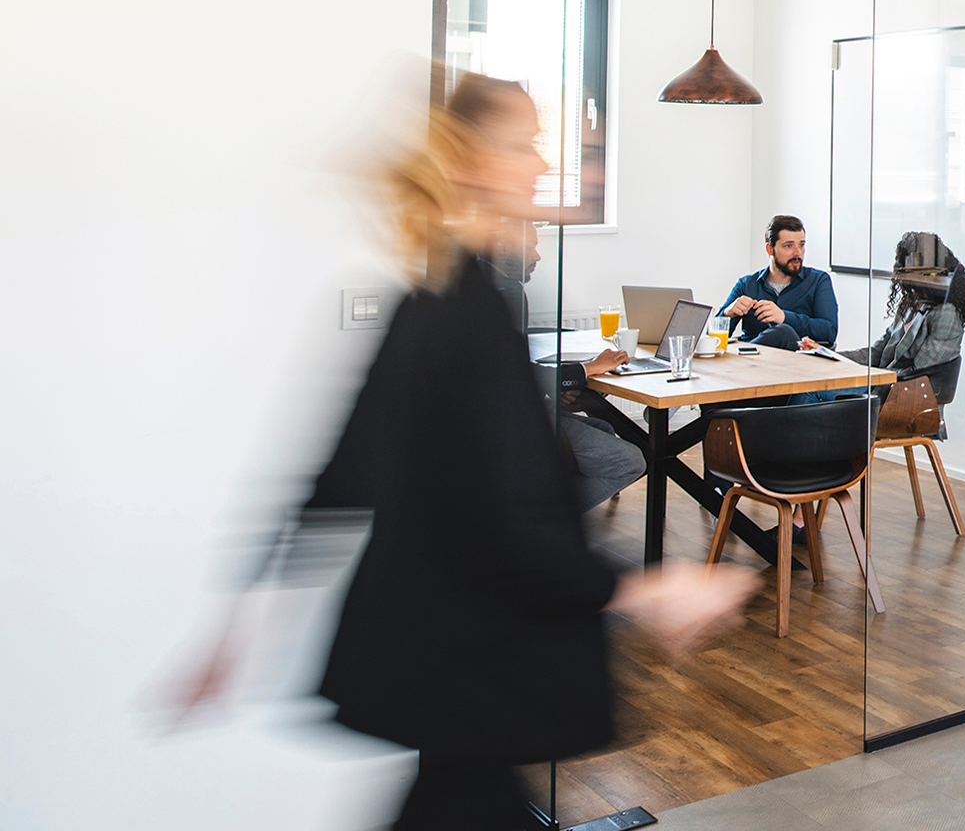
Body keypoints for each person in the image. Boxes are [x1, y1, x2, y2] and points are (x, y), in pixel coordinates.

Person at [171, 71, 755, 830]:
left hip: (444, 669)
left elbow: (344, 475)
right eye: (525, 146)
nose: (543, 164)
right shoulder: (461, 313)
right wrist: (639, 592)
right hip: (469, 666)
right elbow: (496, 515)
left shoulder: (444, 297)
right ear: (469, 161)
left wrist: (237, 624)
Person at [487, 225, 647, 512]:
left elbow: (508, 370)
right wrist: (587, 368)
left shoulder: (485, 285)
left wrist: (556, 385)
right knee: (633, 461)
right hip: (513, 426)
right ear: (502, 248)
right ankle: (544, 519)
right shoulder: (506, 292)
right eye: (530, 246)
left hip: (505, 419)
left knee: (605, 427)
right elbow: (511, 378)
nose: (537, 256)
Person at [841, 231, 965, 376]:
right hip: (879, 380)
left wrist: (873, 381)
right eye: (907, 265)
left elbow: (917, 373)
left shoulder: (947, 314)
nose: (907, 273)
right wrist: (832, 357)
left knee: (814, 393)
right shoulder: (910, 306)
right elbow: (877, 353)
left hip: (898, 389)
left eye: (916, 265)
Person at [719, 214, 837, 351]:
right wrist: (727, 313)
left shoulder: (818, 281)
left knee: (783, 332)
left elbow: (829, 331)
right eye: (788, 246)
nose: (797, 253)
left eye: (801, 245)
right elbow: (712, 339)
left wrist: (784, 317)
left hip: (797, 362)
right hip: (752, 364)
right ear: (770, 249)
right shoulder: (747, 285)